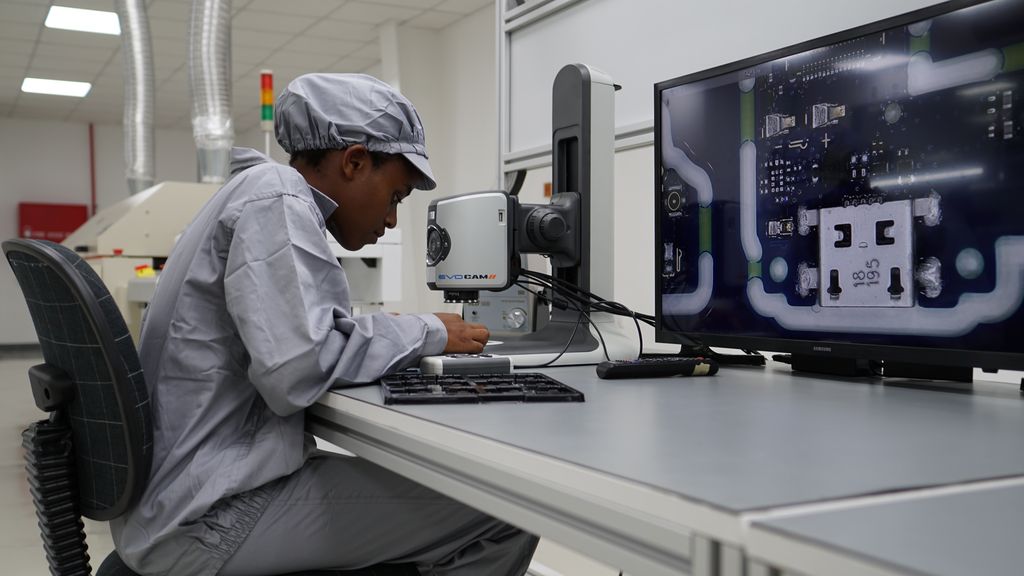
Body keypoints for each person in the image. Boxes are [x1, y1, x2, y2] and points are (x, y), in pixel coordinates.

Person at [110, 73, 539, 576]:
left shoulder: (256, 193)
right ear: (355, 161)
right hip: (208, 516)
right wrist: (428, 331)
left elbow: (296, 336)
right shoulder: (278, 198)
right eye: (396, 196)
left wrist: (383, 333)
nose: (393, 219)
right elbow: (297, 369)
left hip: (183, 494)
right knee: (510, 509)